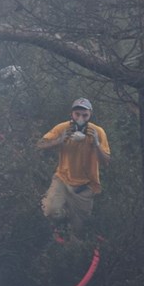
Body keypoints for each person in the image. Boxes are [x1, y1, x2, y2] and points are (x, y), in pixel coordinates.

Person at [36, 98, 111, 237]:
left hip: (85, 186)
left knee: (79, 231)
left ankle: (70, 237)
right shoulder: (62, 128)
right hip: (62, 179)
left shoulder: (98, 132)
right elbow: (40, 144)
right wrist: (59, 140)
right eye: (77, 114)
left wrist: (96, 144)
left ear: (90, 115)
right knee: (50, 210)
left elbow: (107, 160)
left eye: (85, 115)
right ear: (71, 114)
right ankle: (62, 219)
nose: (80, 118)